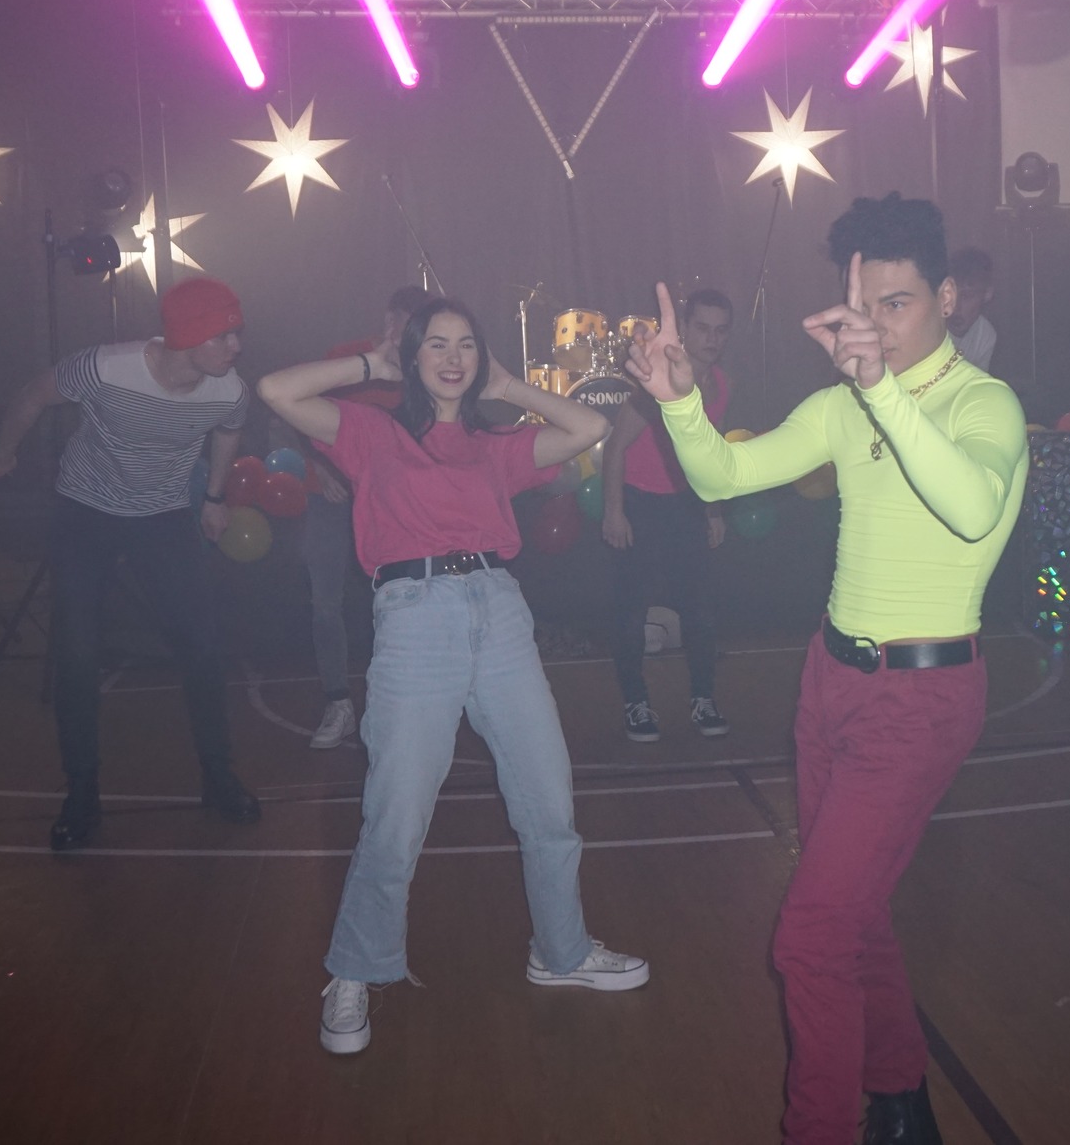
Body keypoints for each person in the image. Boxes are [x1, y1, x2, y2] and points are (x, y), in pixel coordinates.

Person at [629, 194, 1028, 1145]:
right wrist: (680, 400)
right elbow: (724, 476)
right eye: (865, 305)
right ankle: (900, 1096)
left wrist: (882, 390)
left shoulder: (984, 402)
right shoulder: (845, 405)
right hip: (830, 681)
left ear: (946, 297)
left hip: (922, 697)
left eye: (898, 304)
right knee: (853, 911)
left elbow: (973, 508)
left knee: (809, 936)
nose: (878, 326)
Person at [258, 297, 649, 1058]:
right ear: (412, 356)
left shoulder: (492, 443)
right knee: (397, 812)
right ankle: (355, 968)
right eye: (435, 343)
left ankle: (562, 950)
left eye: (466, 344)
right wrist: (372, 364)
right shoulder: (373, 432)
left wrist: (509, 385)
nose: (452, 357)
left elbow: (589, 427)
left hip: (499, 610)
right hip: (415, 616)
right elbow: (276, 390)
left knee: (549, 799)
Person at [0, 276, 262, 852]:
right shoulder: (106, 368)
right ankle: (82, 792)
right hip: (86, 510)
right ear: (187, 335)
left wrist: (214, 498)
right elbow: (34, 393)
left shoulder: (228, 390)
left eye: (237, 333)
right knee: (79, 652)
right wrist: (4, 448)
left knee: (203, 645)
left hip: (162, 514)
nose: (236, 346)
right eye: (224, 335)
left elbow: (228, 432)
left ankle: (219, 776)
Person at [298, 283, 434, 750]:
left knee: (402, 599)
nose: (413, 336)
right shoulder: (347, 358)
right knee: (325, 603)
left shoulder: (422, 371)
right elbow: (297, 410)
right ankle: (338, 702)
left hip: (387, 503)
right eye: (408, 326)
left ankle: (399, 702)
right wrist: (321, 468)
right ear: (389, 322)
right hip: (330, 496)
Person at [602, 287, 734, 743]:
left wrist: (712, 511)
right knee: (631, 611)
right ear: (685, 329)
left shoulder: (721, 383)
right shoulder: (657, 384)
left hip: (686, 505)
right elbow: (615, 448)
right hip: (640, 503)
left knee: (701, 611)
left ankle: (703, 698)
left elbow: (712, 452)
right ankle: (635, 703)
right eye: (703, 328)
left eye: (720, 330)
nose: (711, 338)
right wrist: (614, 512)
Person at [944, 246, 997, 374]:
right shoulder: (929, 331)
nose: (956, 307)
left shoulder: (985, 335)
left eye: (967, 297)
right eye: (951, 296)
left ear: (987, 294)